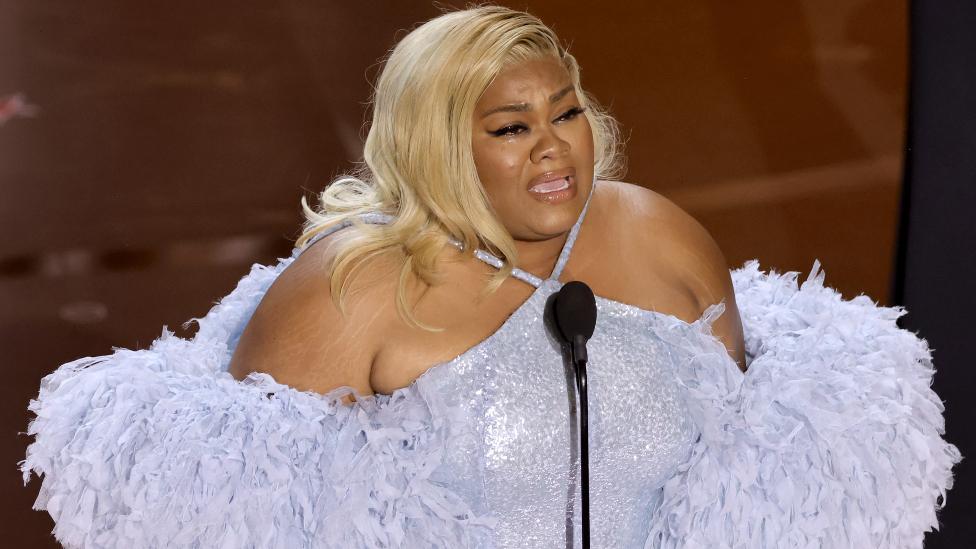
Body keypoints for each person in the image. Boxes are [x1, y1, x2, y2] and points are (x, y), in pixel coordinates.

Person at [20, 6, 960, 548]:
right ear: (438, 145)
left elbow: (745, 470)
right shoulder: (356, 287)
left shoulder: (655, 233)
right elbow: (253, 513)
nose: (554, 150)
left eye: (567, 112)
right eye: (511, 127)